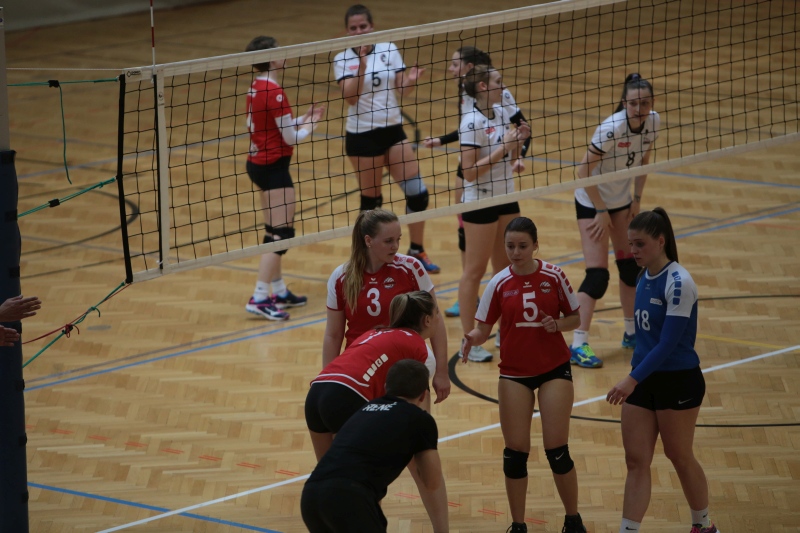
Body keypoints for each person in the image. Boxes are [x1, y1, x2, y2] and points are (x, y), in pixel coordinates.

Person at [462, 217, 586, 533]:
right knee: (515, 454)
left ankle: (573, 520)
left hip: (553, 369)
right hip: (514, 373)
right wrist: (472, 338)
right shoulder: (498, 283)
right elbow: (482, 328)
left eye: (522, 246)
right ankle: (518, 525)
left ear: (535, 245)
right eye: (510, 246)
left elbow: (575, 318)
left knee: (557, 451)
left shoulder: (554, 275)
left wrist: (557, 325)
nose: (515, 252)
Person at [606, 208, 718, 533]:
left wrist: (630, 379)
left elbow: (668, 343)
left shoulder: (680, 282)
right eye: (630, 244)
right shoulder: (643, 276)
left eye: (640, 244)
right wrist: (636, 377)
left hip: (677, 380)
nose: (633, 251)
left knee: (678, 455)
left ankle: (703, 526)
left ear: (660, 241)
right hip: (643, 377)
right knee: (636, 460)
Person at [422, 46, 529, 317]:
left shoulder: (499, 99)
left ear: (470, 68)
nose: (450, 69)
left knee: (503, 264)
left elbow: (520, 127)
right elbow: (469, 130)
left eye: (455, 64)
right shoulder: (468, 97)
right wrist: (442, 140)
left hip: (500, 184)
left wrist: (518, 154)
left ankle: (498, 319)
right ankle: (469, 307)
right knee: (469, 243)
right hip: (475, 175)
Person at [333, 4, 440, 274]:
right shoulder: (342, 58)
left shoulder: (388, 49)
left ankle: (417, 250)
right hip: (362, 136)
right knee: (371, 205)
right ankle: (367, 260)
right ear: (347, 31)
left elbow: (402, 89)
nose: (359, 31)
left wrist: (410, 80)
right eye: (354, 28)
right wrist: (361, 66)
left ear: (372, 27)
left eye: (363, 26)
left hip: (393, 131)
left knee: (418, 194)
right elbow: (350, 98)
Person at [570, 73, 659, 368]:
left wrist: (637, 199)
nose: (639, 109)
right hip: (592, 201)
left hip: (621, 202)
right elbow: (583, 171)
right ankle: (578, 344)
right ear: (624, 103)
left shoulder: (653, 122)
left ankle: (632, 333)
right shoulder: (612, 128)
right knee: (597, 276)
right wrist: (600, 209)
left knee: (630, 268)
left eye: (645, 103)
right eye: (633, 103)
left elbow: (644, 161)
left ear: (652, 103)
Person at [301, 359, 448, 533]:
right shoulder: (419, 419)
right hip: (349, 497)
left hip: (312, 496)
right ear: (423, 395)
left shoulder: (364, 409)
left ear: (386, 387)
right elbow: (432, 482)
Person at [323, 208, 450, 400]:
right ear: (368, 240)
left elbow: (436, 320)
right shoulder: (341, 277)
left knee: (414, 419)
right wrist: (328, 378)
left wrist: (442, 372)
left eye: (398, 239)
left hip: (403, 366)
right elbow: (333, 335)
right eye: (388, 241)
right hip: (362, 368)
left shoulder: (411, 268)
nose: (395, 246)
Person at [243, 36, 325, 321]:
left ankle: (277, 290)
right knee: (282, 235)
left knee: (272, 232)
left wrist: (301, 118)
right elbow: (290, 138)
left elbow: (273, 127)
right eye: (279, 50)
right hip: (274, 166)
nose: (284, 53)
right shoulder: (275, 92)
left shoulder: (256, 87)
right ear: (271, 58)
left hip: (259, 164)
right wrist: (310, 126)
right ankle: (259, 297)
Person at [306, 291, 438, 460]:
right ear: (427, 320)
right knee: (361, 472)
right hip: (346, 396)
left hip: (316, 393)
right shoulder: (422, 351)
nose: (439, 319)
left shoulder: (374, 332)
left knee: (327, 471)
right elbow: (411, 414)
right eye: (437, 313)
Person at [457, 64, 530, 362]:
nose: (503, 86)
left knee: (506, 269)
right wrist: (505, 147)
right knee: (474, 271)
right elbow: (469, 172)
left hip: (506, 196)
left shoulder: (501, 112)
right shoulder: (470, 122)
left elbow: (509, 153)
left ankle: (504, 330)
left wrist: (518, 148)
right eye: (499, 82)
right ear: (483, 87)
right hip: (480, 200)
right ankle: (469, 341)